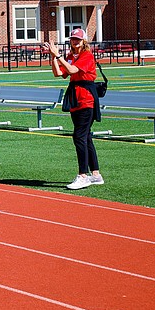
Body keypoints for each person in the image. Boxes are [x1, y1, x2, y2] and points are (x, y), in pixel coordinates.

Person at [44, 28, 104, 190]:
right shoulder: (71, 56)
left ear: (84, 41)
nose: (74, 41)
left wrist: (58, 55)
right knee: (85, 137)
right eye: (72, 39)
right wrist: (53, 57)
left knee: (79, 136)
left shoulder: (87, 56)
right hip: (76, 99)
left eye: (77, 39)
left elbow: (72, 70)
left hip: (86, 99)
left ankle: (83, 175)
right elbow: (59, 73)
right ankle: (96, 175)